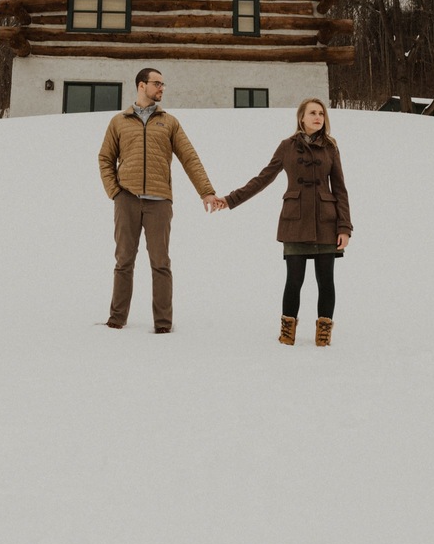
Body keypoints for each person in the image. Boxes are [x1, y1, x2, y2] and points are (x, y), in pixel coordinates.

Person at [212, 97, 352, 346]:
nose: (318, 117)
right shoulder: (287, 146)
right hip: (295, 221)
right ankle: (288, 330)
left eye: (321, 113)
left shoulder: (331, 147)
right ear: (301, 117)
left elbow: (340, 189)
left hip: (326, 222)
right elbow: (263, 178)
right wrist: (230, 199)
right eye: (312, 113)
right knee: (294, 280)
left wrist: (344, 227)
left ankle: (323, 332)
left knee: (326, 281)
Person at [98, 67, 217, 333]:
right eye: (157, 83)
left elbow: (189, 157)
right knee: (124, 261)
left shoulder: (169, 122)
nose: (162, 88)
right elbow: (105, 158)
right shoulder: (119, 121)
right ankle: (116, 319)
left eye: (163, 84)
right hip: (126, 199)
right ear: (142, 85)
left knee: (160, 263)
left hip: (159, 202)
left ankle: (163, 324)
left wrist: (206, 191)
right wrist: (115, 192)